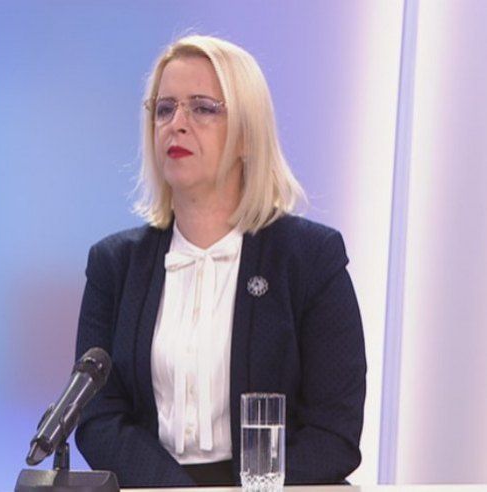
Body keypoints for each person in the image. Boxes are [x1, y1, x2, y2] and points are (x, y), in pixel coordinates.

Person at [74, 34, 366, 487]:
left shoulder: (310, 258)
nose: (177, 124)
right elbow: (98, 419)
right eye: (164, 109)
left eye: (202, 108)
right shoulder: (114, 264)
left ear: (247, 135)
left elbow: (334, 431)